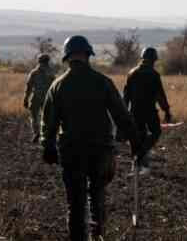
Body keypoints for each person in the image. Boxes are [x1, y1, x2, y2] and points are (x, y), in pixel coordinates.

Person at [41, 35, 142, 241]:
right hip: (101, 151)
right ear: (88, 55)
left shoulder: (58, 85)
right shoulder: (103, 82)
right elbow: (121, 115)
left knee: (75, 205)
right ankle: (98, 237)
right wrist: (135, 141)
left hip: (71, 151)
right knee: (97, 198)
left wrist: (48, 145)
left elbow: (49, 122)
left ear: (67, 57)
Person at [122, 46, 172, 175]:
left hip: (134, 111)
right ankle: (141, 155)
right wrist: (166, 111)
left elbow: (126, 95)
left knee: (138, 136)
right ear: (154, 59)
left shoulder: (132, 73)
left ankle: (137, 165)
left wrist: (124, 111)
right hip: (149, 111)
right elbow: (160, 95)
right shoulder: (154, 75)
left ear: (142, 58)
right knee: (155, 132)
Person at [23, 53, 55, 143]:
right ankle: (45, 134)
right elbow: (55, 87)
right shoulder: (51, 72)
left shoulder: (34, 72)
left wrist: (25, 99)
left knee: (34, 117)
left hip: (36, 97)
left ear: (39, 61)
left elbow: (29, 87)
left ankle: (37, 133)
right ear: (48, 61)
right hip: (47, 98)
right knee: (47, 117)